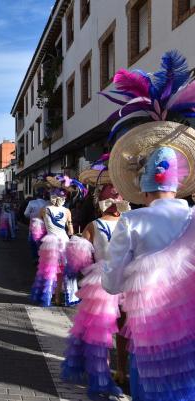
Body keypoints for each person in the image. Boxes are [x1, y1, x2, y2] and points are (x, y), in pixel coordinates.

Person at [100, 51, 195, 401]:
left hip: (149, 332)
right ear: (180, 181)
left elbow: (111, 283)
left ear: (140, 184)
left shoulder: (131, 221)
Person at [61, 166, 130, 400]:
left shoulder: (114, 223)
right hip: (116, 280)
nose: (115, 198)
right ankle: (112, 373)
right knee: (112, 331)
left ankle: (112, 372)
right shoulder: (111, 224)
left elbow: (80, 259)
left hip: (115, 280)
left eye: (117, 194)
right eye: (112, 193)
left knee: (113, 331)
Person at [30, 176, 85, 307]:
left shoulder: (44, 210)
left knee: (48, 270)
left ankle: (48, 296)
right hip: (64, 242)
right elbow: (71, 231)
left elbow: (37, 229)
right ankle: (61, 298)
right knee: (63, 270)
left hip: (50, 242)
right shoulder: (67, 211)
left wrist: (39, 240)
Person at [24, 185, 49, 261]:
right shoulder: (47, 203)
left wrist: (32, 217)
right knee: (43, 242)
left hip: (34, 225)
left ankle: (35, 257)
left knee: (33, 242)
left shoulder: (31, 202)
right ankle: (42, 257)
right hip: (45, 226)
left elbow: (26, 214)